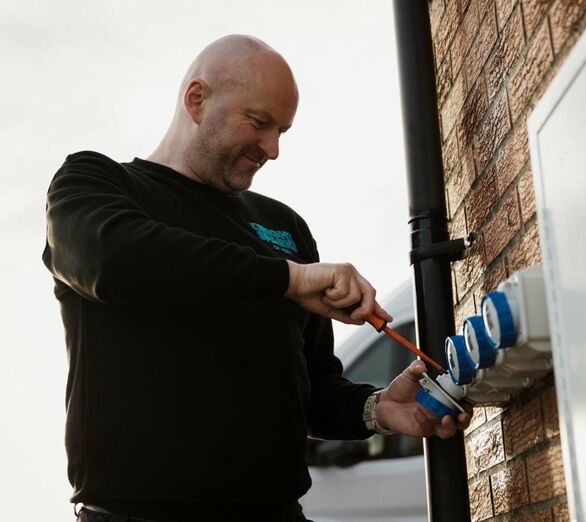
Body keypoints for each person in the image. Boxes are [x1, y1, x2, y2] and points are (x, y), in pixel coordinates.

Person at [42, 35, 471, 522]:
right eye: (260, 122)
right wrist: (289, 279)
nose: (273, 149)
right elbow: (112, 259)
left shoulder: (285, 227)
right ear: (197, 100)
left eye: (282, 131)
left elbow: (313, 390)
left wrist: (377, 408)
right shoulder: (96, 184)